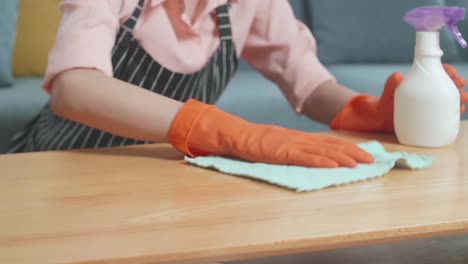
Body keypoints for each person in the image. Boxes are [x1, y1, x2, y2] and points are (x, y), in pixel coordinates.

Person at [7, 0, 468, 169]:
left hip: (148, 175)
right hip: (55, 169)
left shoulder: (249, 3)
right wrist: (226, 132)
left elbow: (309, 86)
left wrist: (367, 110)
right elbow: (75, 88)